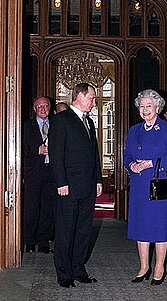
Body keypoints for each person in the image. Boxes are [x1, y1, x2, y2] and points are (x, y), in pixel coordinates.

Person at [124, 89, 167, 286]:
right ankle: (143, 266)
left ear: (158, 107)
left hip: (160, 184)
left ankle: (159, 267)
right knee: (141, 227)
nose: (145, 109)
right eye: (142, 106)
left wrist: (151, 163)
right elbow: (127, 156)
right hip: (140, 184)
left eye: (149, 106)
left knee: (160, 228)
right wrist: (131, 165)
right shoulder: (134, 130)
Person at [49, 82, 102, 288]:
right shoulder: (61, 120)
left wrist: (98, 179)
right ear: (79, 96)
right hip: (68, 187)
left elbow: (93, 155)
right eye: (91, 98)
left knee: (83, 230)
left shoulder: (89, 122)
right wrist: (61, 182)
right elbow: (56, 154)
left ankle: (78, 269)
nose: (94, 103)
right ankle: (63, 274)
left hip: (87, 187)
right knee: (65, 230)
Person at [23, 96, 54, 254]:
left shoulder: (56, 125)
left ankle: (43, 242)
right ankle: (29, 241)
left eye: (45, 106)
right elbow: (20, 150)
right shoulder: (26, 127)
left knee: (47, 209)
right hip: (33, 174)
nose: (43, 109)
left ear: (50, 107)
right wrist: (38, 150)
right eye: (39, 106)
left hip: (51, 173)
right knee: (31, 208)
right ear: (35, 109)